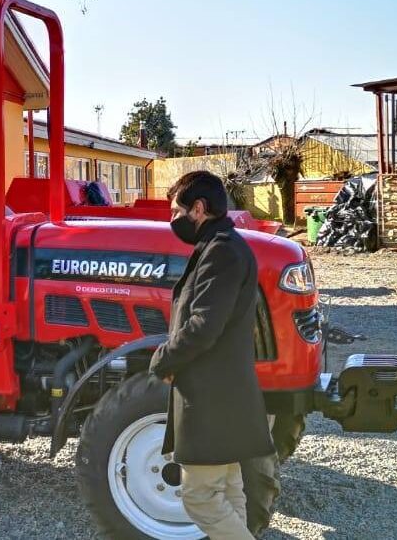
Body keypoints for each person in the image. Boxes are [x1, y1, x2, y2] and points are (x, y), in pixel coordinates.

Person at [149, 170, 274, 540]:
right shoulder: (224, 247)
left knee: (199, 497)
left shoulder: (221, 252)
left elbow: (204, 325)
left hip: (212, 398)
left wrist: (163, 359)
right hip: (226, 394)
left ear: (199, 208)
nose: (173, 220)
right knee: (229, 491)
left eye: (176, 211)